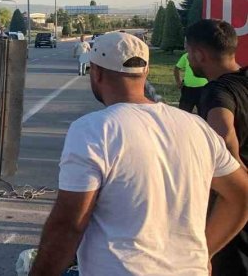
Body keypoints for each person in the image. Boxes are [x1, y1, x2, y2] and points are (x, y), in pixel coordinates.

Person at [30, 32, 248, 276]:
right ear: (145, 73)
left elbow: (68, 225)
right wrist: (206, 252)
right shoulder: (196, 127)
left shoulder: (94, 130)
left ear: (96, 73)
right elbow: (241, 195)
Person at [186, 19, 248, 275]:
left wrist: (237, 174)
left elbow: (222, 134)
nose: (188, 59)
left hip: (233, 206)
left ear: (199, 54)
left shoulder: (217, 90)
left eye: (189, 53)